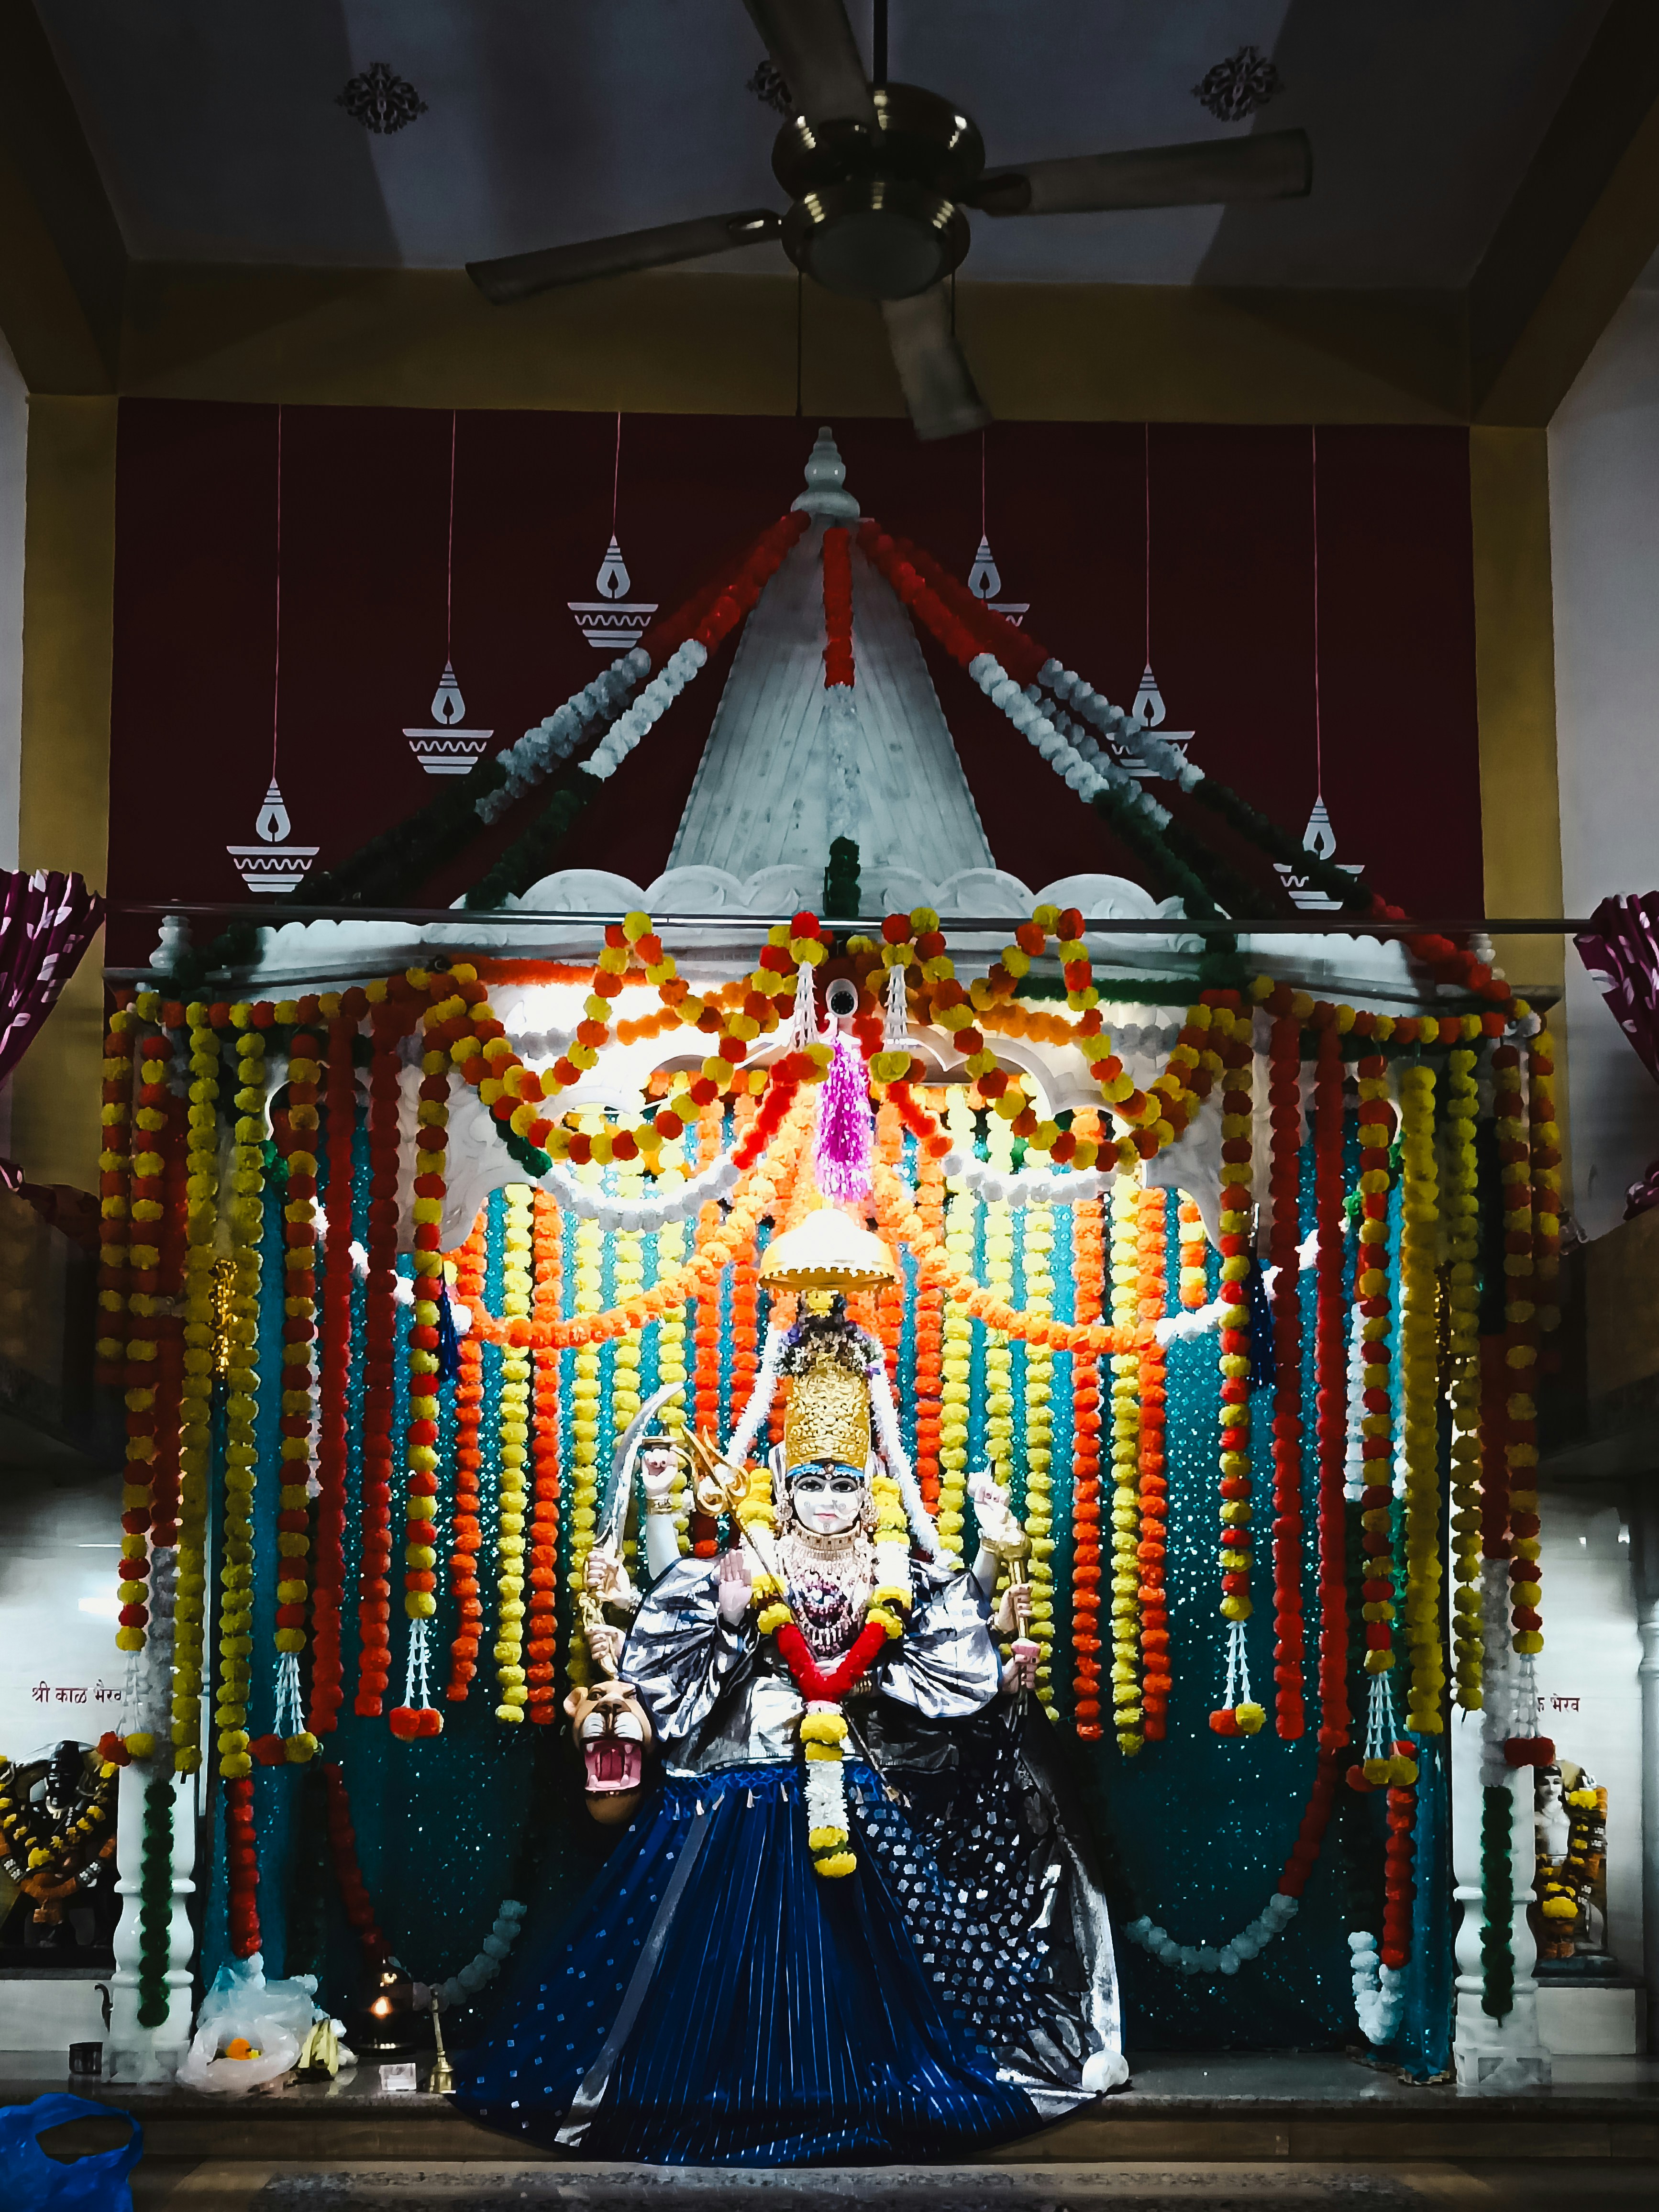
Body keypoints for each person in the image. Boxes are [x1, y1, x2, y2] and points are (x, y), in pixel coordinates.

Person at [451, 1264, 1127, 2165]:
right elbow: (665, 1680)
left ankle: (854, 2083)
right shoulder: (735, 1565)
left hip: (855, 1780)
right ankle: (725, 2089)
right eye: (810, 1481)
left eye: (844, 1483)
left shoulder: (900, 1573)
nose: (826, 1500)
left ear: (869, 1487)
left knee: (874, 1970)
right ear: (781, 1478)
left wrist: (902, 1642)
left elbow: (956, 1669)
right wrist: (730, 1621)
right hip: (739, 1783)